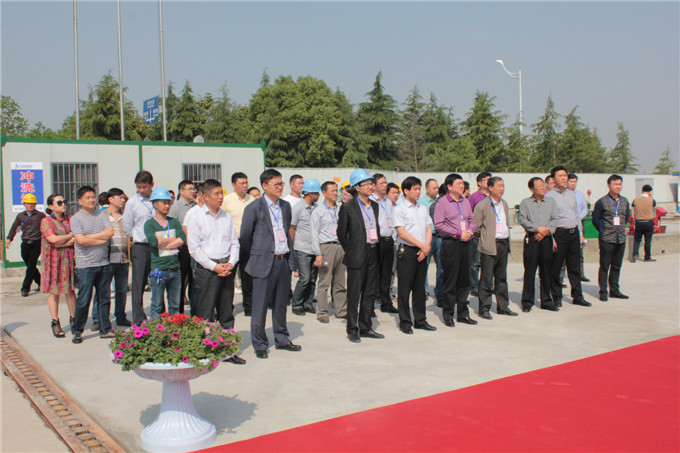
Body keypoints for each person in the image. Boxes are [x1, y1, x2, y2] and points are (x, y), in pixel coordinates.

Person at [241, 169, 301, 359]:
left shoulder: (285, 206)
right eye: (276, 184)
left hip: (282, 261)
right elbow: (246, 236)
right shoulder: (254, 207)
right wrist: (259, 254)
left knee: (280, 304)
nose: (280, 187)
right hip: (263, 262)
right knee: (259, 305)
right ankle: (259, 343)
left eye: (281, 183)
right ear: (265, 186)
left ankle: (282, 338)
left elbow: (287, 231)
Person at [187, 179, 245, 365]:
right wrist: (214, 266)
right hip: (207, 270)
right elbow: (194, 249)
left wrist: (231, 263)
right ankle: (204, 351)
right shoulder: (196, 216)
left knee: (226, 312)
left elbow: (234, 243)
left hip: (226, 268)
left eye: (222, 193)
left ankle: (227, 351)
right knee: (205, 312)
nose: (221, 197)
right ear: (205, 196)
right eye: (217, 194)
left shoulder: (226, 217)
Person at [337, 169, 385, 343]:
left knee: (370, 292)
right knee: (354, 293)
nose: (371, 187)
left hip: (374, 251)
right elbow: (341, 233)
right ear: (357, 187)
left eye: (372, 183)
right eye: (367, 184)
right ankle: (352, 329)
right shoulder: (348, 207)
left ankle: (365, 327)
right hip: (357, 254)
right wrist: (352, 250)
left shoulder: (375, 206)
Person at [71, 186, 114, 343]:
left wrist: (89, 238)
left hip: (103, 263)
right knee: (84, 299)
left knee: (104, 298)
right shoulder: (76, 219)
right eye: (87, 197)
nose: (91, 200)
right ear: (80, 201)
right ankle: (77, 331)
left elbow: (110, 234)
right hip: (86, 265)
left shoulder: (102, 215)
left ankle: (105, 329)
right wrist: (100, 238)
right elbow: (80, 240)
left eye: (93, 197)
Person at [433, 173, 477, 327]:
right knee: (450, 280)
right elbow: (439, 225)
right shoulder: (442, 203)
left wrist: (469, 231)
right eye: (458, 183)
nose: (461, 186)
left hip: (467, 243)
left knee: (465, 280)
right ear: (449, 186)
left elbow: (472, 220)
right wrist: (458, 234)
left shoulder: (465, 201)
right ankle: (448, 315)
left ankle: (463, 314)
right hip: (451, 243)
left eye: (462, 183)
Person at [393, 176, 436, 334]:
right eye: (415, 189)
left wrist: (426, 247)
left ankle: (420, 320)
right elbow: (402, 233)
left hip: (423, 251)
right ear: (406, 190)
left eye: (419, 189)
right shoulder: (399, 209)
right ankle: (405, 321)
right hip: (408, 251)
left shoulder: (422, 208)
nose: (418, 192)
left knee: (419, 288)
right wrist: (422, 246)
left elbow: (428, 228)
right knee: (405, 289)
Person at [544, 166, 591, 307]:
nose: (563, 178)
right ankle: (556, 296)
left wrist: (580, 234)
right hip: (559, 234)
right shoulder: (549, 197)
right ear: (553, 179)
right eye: (560, 176)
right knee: (556, 268)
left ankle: (577, 296)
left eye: (565, 175)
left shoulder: (572, 194)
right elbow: (547, 219)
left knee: (575, 267)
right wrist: (552, 239)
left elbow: (577, 216)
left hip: (573, 233)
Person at [474, 176, 517, 319]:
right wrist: (485, 239)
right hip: (490, 245)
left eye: (503, 185)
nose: (501, 189)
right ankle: (484, 308)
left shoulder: (504, 203)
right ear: (490, 188)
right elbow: (476, 228)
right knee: (486, 278)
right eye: (498, 186)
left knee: (501, 277)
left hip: (503, 244)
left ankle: (503, 306)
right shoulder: (482, 205)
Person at [518, 177, 559, 312]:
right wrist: (537, 229)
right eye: (539, 186)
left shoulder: (551, 202)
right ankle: (527, 302)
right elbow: (522, 219)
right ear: (531, 189)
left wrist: (546, 231)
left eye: (543, 185)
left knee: (546, 271)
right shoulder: (525, 203)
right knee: (530, 272)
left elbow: (555, 219)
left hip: (546, 239)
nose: (543, 188)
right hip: (532, 239)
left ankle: (546, 301)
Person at [144, 187, 186, 317]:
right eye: (164, 202)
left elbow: (182, 239)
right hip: (159, 271)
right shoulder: (149, 224)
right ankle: (156, 329)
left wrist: (164, 242)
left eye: (169, 202)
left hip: (175, 270)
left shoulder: (174, 222)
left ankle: (174, 328)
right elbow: (154, 242)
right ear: (155, 204)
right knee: (157, 305)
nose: (167, 205)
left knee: (175, 306)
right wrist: (173, 240)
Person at [310, 181, 347, 323]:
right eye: (332, 190)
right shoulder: (318, 211)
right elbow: (314, 234)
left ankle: (341, 309)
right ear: (324, 193)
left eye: (337, 190)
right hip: (326, 248)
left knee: (340, 281)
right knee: (324, 282)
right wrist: (318, 254)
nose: (336, 193)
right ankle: (322, 312)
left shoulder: (341, 209)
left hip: (340, 247)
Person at [41, 194, 76, 338]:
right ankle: (55, 322)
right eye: (59, 202)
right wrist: (69, 236)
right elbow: (53, 239)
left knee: (70, 290)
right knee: (54, 291)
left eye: (64, 201)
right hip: (52, 261)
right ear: (51, 206)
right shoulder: (46, 221)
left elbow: (76, 237)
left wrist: (63, 242)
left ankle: (74, 319)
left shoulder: (70, 219)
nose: (63, 204)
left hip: (68, 259)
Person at [123, 171, 155, 325]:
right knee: (138, 282)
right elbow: (127, 226)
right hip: (141, 246)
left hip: (158, 246)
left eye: (144, 187)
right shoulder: (132, 203)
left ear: (151, 185)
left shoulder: (157, 200)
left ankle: (159, 313)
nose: (141, 190)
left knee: (159, 280)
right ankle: (138, 317)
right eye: (138, 187)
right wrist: (135, 238)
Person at [592, 175, 630, 301]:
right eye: (615, 184)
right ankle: (603, 291)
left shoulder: (624, 201)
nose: (618, 186)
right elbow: (595, 220)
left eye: (620, 184)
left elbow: (626, 218)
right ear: (609, 185)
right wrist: (604, 230)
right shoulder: (601, 202)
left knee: (616, 266)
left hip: (621, 238)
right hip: (607, 238)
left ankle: (614, 290)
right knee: (604, 266)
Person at [221, 173, 254, 316]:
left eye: (246, 182)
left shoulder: (251, 200)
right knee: (230, 276)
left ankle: (249, 306)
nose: (245, 185)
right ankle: (227, 307)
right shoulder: (226, 201)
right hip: (232, 242)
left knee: (248, 275)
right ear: (234, 185)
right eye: (242, 183)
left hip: (248, 242)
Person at [101, 188, 132, 327]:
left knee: (121, 290)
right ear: (111, 199)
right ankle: (99, 319)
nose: (123, 200)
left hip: (123, 259)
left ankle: (120, 317)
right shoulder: (102, 216)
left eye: (124, 198)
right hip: (107, 260)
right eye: (120, 197)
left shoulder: (125, 216)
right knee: (103, 291)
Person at [290, 178, 321, 316]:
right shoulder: (298, 208)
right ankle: (297, 304)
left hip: (315, 249)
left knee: (313, 279)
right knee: (305, 279)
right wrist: (292, 247)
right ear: (310, 193)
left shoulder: (316, 208)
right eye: (317, 193)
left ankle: (307, 304)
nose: (318, 196)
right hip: (302, 249)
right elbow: (292, 228)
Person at [6, 193, 46, 297]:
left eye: (32, 203)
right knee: (30, 266)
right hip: (25, 244)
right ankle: (41, 282)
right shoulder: (20, 216)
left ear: (35, 204)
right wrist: (9, 239)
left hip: (36, 243)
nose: (30, 205)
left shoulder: (40, 215)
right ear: (24, 204)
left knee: (31, 266)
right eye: (28, 203)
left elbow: (46, 227)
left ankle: (25, 288)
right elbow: (15, 227)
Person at [370, 173, 399, 314]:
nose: (385, 185)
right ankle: (369, 306)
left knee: (387, 274)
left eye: (385, 182)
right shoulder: (370, 200)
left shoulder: (388, 201)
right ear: (374, 185)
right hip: (376, 241)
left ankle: (386, 303)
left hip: (389, 241)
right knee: (373, 274)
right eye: (382, 183)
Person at [169, 180, 196, 314]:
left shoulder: (196, 206)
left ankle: (195, 311)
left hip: (195, 248)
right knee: (180, 280)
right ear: (181, 191)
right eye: (189, 189)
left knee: (194, 281)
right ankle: (178, 312)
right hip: (182, 248)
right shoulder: (175, 207)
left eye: (193, 189)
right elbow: (171, 228)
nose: (193, 191)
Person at [467, 172, 491, 297]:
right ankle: (474, 286)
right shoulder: (474, 197)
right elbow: (468, 215)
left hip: (491, 235)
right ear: (479, 183)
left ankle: (487, 285)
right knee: (475, 262)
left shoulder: (494, 196)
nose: (489, 182)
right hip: (477, 235)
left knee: (489, 262)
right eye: (487, 180)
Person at [182, 183, 205, 317]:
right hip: (196, 256)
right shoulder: (192, 213)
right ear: (200, 196)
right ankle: (196, 314)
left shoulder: (214, 212)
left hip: (210, 256)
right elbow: (186, 231)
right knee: (196, 286)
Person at [418, 178, 440, 303]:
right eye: (434, 188)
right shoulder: (420, 203)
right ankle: (424, 291)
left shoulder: (440, 202)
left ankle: (439, 292)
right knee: (424, 266)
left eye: (437, 187)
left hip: (439, 237)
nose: (436, 190)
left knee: (441, 267)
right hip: (426, 238)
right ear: (426, 189)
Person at [567, 173, 589, 282]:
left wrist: (578, 217)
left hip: (578, 224)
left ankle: (581, 274)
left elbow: (585, 208)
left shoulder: (580, 195)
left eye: (575, 182)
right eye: (571, 181)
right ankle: (560, 277)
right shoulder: (563, 195)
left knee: (579, 252)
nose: (573, 184)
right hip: (566, 225)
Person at [631, 185, 657, 262]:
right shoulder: (652, 200)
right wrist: (650, 197)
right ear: (650, 192)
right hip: (648, 222)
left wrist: (634, 221)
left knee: (637, 240)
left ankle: (635, 254)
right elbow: (655, 209)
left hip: (639, 222)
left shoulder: (635, 200)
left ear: (642, 190)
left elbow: (633, 212)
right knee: (648, 240)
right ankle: (647, 257)